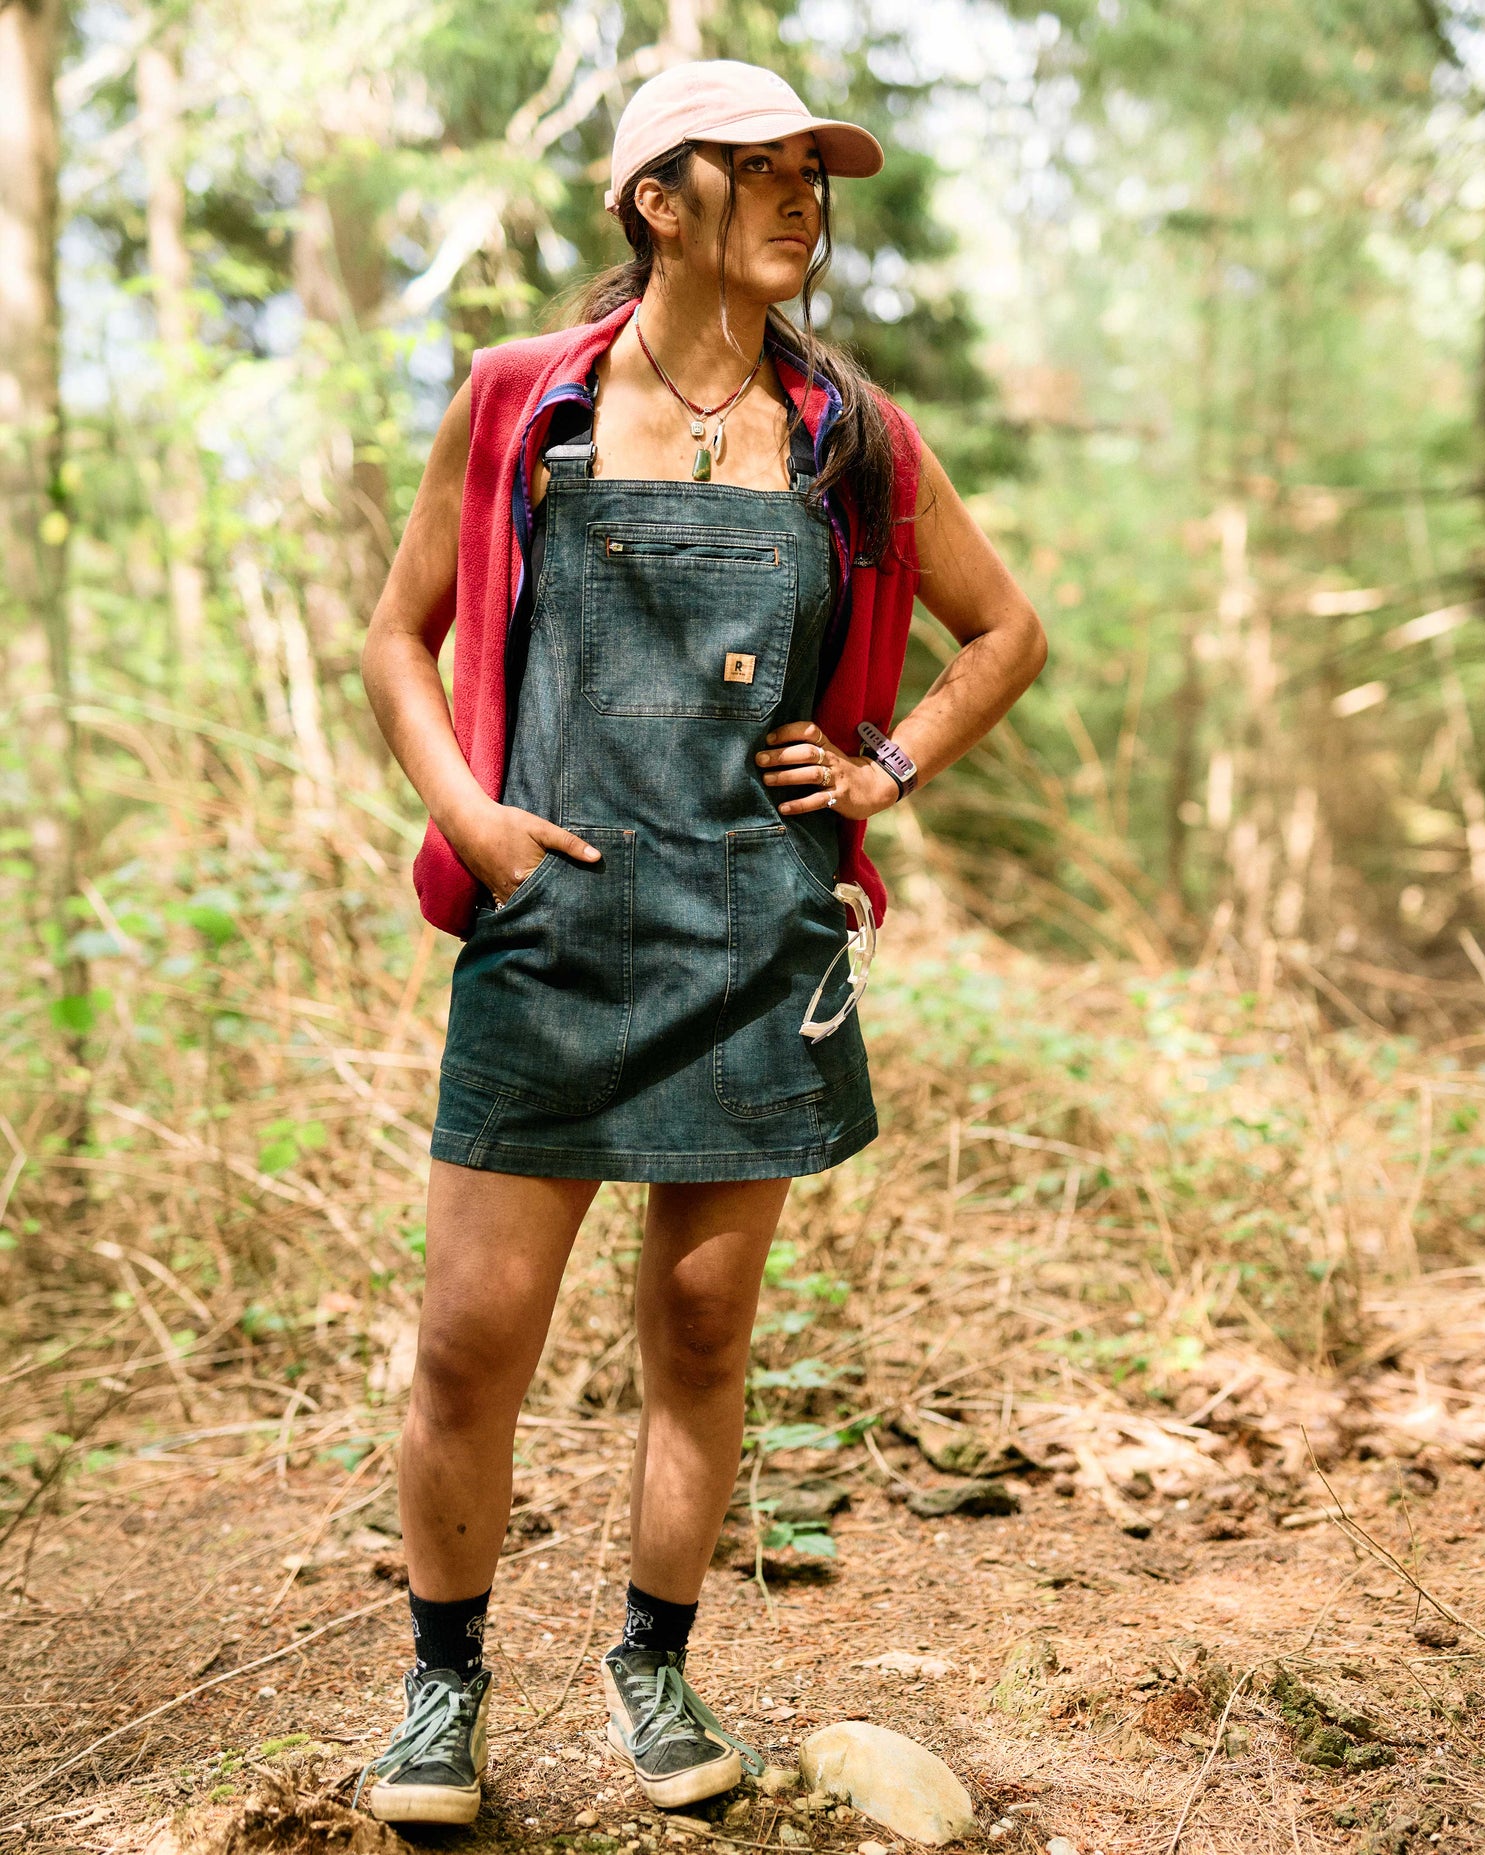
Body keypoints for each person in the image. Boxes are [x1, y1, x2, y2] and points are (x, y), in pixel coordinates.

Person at [355, 57, 1045, 1828]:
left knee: (705, 1330)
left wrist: (884, 767)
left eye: (820, 169)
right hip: (553, 931)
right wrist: (472, 820)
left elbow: (1006, 634)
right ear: (658, 200)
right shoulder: (524, 400)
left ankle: (654, 1667)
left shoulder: (852, 433)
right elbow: (399, 638)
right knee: (469, 1341)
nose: (807, 194)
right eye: (764, 166)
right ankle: (443, 1689)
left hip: (758, 935)